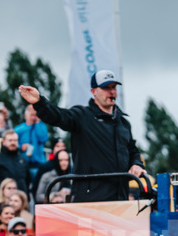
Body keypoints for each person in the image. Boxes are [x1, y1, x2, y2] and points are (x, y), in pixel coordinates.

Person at [19, 70, 146, 202]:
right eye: (106, 87)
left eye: (113, 87)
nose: (111, 91)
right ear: (93, 91)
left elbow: (132, 150)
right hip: (89, 199)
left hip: (120, 199)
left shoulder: (123, 123)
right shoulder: (82, 116)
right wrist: (39, 102)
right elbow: (58, 116)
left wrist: (137, 164)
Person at [0, 130, 29, 196]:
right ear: (3, 142)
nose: (13, 143)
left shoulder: (22, 159)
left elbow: (27, 180)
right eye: (10, 140)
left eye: (15, 140)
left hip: (20, 199)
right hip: (2, 198)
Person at [14, 104, 49, 186]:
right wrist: (20, 147)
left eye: (35, 115)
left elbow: (43, 139)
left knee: (38, 186)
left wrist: (37, 122)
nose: (33, 117)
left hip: (38, 163)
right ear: (26, 115)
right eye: (31, 115)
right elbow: (13, 143)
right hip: (23, 163)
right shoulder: (19, 129)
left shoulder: (41, 126)